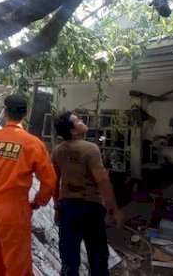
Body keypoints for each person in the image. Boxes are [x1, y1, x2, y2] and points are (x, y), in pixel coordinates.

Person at [0, 94, 56, 276]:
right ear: (25, 113)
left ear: (5, 112)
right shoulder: (32, 144)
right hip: (14, 210)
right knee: (17, 265)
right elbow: (49, 181)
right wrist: (38, 202)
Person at [52, 112, 124, 276]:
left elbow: (55, 183)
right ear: (73, 131)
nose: (82, 120)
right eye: (78, 120)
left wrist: (57, 207)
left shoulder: (57, 151)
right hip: (91, 208)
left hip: (67, 209)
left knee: (69, 261)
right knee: (98, 258)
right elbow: (102, 182)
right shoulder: (90, 149)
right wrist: (114, 209)